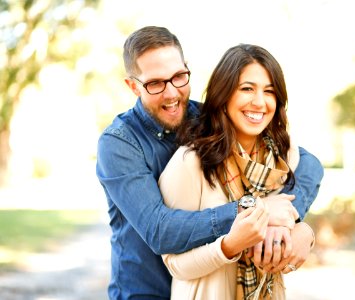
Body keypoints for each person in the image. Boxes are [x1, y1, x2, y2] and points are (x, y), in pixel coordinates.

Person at [96, 26, 324, 300]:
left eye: (179, 77)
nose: (171, 94)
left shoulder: (209, 119)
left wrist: (291, 221)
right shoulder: (119, 143)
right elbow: (159, 230)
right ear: (133, 86)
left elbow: (308, 163)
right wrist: (253, 211)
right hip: (145, 291)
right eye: (155, 83)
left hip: (212, 285)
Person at [159, 44, 318, 299]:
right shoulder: (191, 163)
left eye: (269, 91)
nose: (259, 102)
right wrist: (230, 244)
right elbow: (175, 263)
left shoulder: (284, 157)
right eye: (247, 89)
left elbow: (289, 216)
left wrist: (304, 232)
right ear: (224, 96)